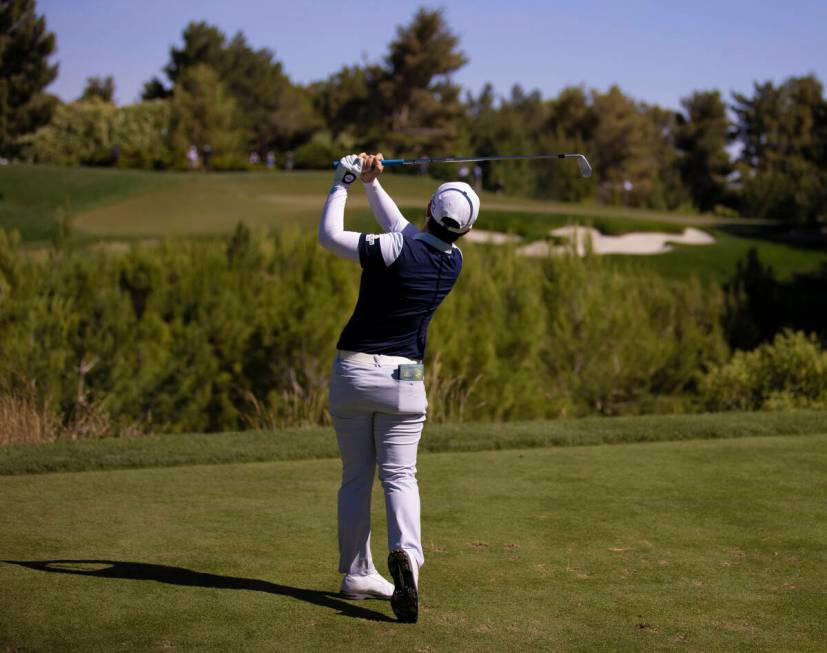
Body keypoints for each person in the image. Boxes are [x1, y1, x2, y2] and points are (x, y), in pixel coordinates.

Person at [318, 152, 480, 623]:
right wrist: (371, 183)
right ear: (463, 230)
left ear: (429, 210)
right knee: (400, 476)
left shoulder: (391, 248)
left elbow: (330, 237)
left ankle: (356, 572)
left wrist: (342, 182)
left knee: (355, 477)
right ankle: (408, 558)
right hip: (405, 380)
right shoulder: (454, 261)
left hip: (353, 372)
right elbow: (409, 232)